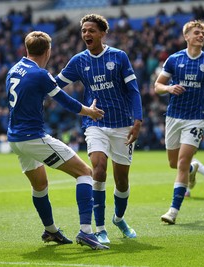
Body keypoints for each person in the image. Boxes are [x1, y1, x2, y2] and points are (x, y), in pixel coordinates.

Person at [6, 31, 109, 250]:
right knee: (84, 172)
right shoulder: (40, 74)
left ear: (26, 49)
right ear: (48, 51)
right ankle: (86, 232)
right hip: (32, 136)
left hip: (15, 139)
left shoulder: (14, 69)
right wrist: (89, 112)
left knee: (40, 185)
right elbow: (65, 100)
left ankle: (51, 230)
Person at [55, 14, 142, 244]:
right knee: (99, 168)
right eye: (84, 31)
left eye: (91, 30)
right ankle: (100, 228)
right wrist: (34, 83)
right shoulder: (78, 61)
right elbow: (55, 85)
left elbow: (133, 90)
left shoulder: (119, 57)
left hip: (123, 123)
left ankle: (119, 218)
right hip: (95, 123)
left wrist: (138, 120)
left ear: (103, 33)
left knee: (122, 180)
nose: (86, 35)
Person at [154, 20, 204, 224]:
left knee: (182, 162)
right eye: (197, 33)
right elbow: (157, 85)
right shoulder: (174, 59)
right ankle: (194, 170)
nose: (201, 36)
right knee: (174, 163)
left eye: (203, 33)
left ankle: (172, 211)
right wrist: (169, 88)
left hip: (195, 119)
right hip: (173, 117)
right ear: (186, 36)